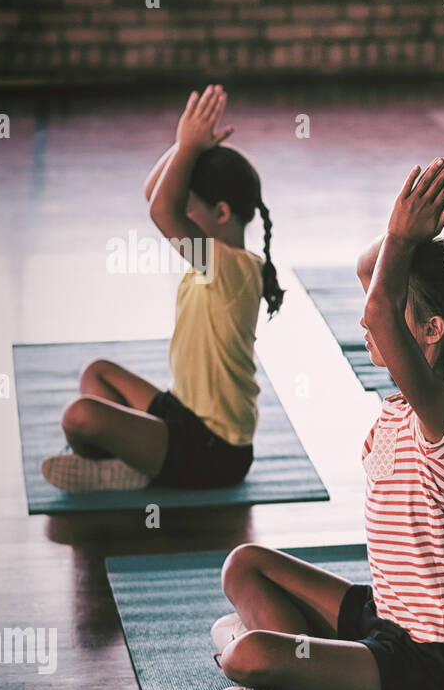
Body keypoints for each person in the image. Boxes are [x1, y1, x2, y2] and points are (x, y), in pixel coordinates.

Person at [209, 158, 444, 690]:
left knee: (242, 653)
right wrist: (404, 235)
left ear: (430, 331)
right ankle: (311, 683)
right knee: (244, 565)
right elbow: (372, 276)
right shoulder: (408, 407)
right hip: (391, 618)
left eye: (388, 306)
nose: (366, 315)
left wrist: (406, 239)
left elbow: (381, 311)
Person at [42, 85, 282, 492]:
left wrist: (187, 148)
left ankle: (128, 467)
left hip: (215, 451)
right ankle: (132, 462)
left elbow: (160, 210)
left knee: (79, 417)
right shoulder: (218, 261)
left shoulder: (228, 267)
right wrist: (182, 146)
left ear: (222, 213)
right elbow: (156, 195)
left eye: (190, 210)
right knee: (97, 373)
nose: (181, 220)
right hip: (183, 413)